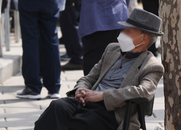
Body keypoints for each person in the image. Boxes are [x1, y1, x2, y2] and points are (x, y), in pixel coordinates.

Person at [35, 8, 164, 130]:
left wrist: (102, 96)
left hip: (112, 112)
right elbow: (90, 77)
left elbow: (144, 92)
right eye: (124, 29)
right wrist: (81, 89)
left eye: (128, 31)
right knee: (56, 106)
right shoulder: (112, 50)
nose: (122, 33)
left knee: (74, 123)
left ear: (143, 39)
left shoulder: (152, 65)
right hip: (88, 101)